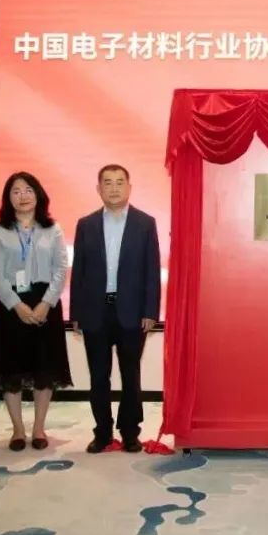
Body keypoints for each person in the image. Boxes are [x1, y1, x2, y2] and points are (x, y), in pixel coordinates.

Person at [71, 164, 160, 453]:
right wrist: (76, 313)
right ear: (99, 189)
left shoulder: (145, 223)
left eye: (120, 182)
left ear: (129, 187)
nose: (114, 188)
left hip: (132, 312)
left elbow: (151, 270)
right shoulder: (86, 224)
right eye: (107, 183)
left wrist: (150, 311)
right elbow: (79, 271)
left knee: (131, 375)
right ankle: (102, 432)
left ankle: (130, 432)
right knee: (99, 377)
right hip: (95, 312)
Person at [0, 172, 72, 451]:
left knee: (43, 368)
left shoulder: (52, 229)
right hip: (11, 303)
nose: (22, 196)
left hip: (46, 302)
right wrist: (17, 305)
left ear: (38, 195)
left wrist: (46, 303)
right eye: (16, 191)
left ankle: (38, 428)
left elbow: (61, 269)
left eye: (28, 190)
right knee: (11, 369)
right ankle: (18, 430)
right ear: (8, 198)